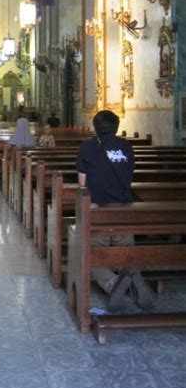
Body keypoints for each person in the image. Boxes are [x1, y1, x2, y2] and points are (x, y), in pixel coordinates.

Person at [76, 110, 155, 311]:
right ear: (117, 127)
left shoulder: (87, 147)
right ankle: (137, 282)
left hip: (98, 211)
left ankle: (114, 283)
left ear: (95, 128)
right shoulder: (126, 146)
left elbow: (83, 185)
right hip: (124, 210)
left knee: (94, 254)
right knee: (126, 253)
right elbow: (128, 175)